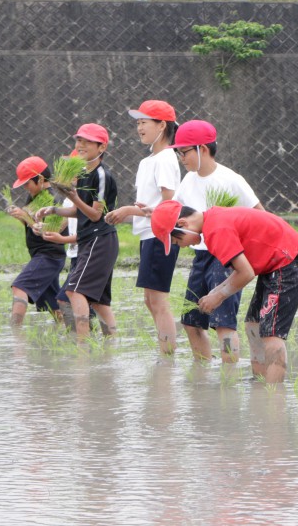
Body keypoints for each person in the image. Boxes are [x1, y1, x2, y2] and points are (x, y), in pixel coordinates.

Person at [150, 199, 298, 384]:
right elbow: (241, 271)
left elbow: (246, 273)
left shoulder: (216, 230)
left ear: (182, 224)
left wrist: (217, 296)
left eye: (177, 240)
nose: (181, 245)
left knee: (271, 333)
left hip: (288, 259)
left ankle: (273, 398)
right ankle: (259, 384)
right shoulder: (212, 220)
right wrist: (214, 293)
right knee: (254, 325)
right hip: (274, 262)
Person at [167, 119, 264, 364]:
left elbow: (261, 215)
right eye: (178, 152)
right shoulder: (188, 180)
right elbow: (172, 210)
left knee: (223, 323)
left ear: (203, 149)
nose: (181, 157)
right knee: (191, 320)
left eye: (184, 151)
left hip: (227, 256)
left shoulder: (231, 179)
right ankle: (203, 377)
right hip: (201, 255)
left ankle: (228, 382)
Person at [105, 100, 182, 355]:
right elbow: (150, 205)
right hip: (148, 235)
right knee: (150, 300)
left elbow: (170, 206)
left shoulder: (166, 159)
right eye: (137, 123)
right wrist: (129, 213)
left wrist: (128, 210)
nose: (139, 128)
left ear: (162, 125)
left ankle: (168, 358)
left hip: (162, 236)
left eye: (144, 122)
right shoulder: (148, 161)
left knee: (158, 301)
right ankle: (165, 353)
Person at [36, 123, 119, 339]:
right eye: (79, 140)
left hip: (99, 239)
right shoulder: (83, 174)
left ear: (102, 148)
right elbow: (77, 210)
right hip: (90, 241)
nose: (80, 144)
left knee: (74, 291)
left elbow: (95, 215)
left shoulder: (101, 175)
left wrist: (73, 197)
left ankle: (82, 346)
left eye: (87, 141)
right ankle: (112, 345)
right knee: (99, 302)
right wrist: (53, 209)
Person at [8, 156, 65, 325]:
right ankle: (71, 333)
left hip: (49, 255)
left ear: (40, 179)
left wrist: (25, 216)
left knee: (20, 287)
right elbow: (30, 223)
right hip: (40, 255)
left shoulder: (51, 199)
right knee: (53, 304)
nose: (26, 188)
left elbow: (53, 229)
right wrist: (21, 216)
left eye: (27, 184)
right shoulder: (33, 196)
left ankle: (14, 334)